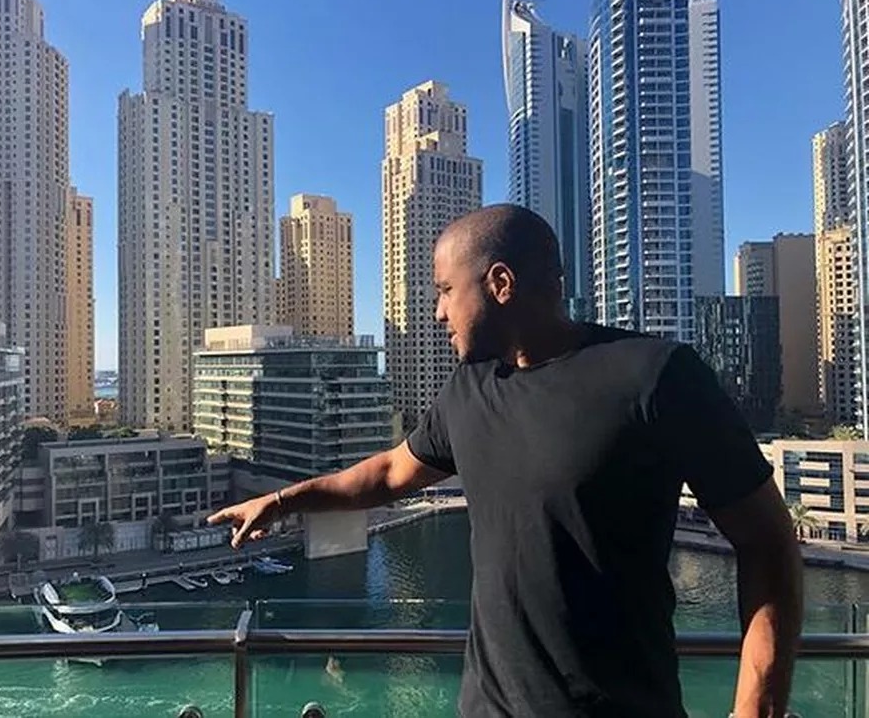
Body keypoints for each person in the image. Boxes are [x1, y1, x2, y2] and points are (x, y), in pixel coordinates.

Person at [209, 204, 803, 717]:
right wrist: (284, 501)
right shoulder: (467, 390)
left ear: (499, 283)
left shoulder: (656, 376)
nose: (438, 312)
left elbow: (768, 542)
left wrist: (755, 707)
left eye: (445, 290)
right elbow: (390, 472)